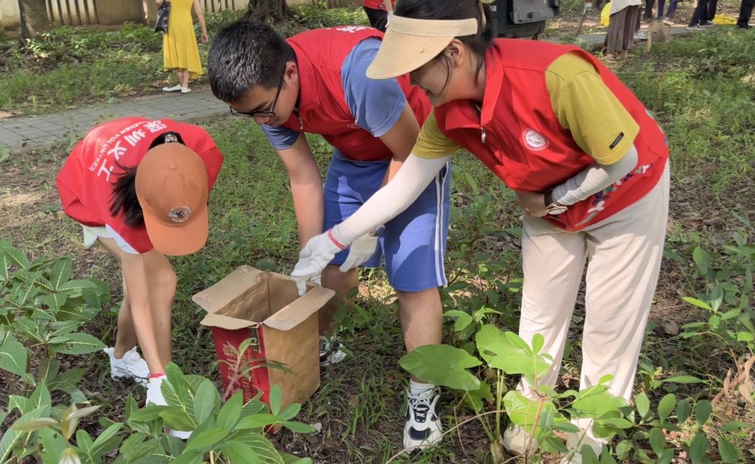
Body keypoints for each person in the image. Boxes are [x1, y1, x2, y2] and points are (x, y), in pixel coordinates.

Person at [290, 0, 670, 462]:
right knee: (539, 313)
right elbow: (406, 184)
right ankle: (534, 415)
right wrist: (333, 238)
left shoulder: (555, 75)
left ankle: (593, 432)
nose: (410, 84)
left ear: (453, 53)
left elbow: (621, 160)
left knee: (610, 321)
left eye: (416, 70)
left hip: (626, 192)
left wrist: (554, 198)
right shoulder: (449, 113)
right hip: (546, 201)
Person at [206, 21, 451, 451]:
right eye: (247, 114)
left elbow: (408, 153)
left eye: (263, 110)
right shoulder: (263, 95)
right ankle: (325, 341)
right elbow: (302, 176)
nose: (260, 121)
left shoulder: (358, 71)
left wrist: (368, 226)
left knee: (411, 277)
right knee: (333, 265)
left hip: (413, 153)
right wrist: (313, 255)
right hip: (356, 156)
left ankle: (423, 395)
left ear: (289, 73)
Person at [56, 117, 223, 437]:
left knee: (155, 282)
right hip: (88, 190)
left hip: (134, 167)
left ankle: (121, 357)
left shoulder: (196, 150)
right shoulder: (117, 205)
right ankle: (167, 387)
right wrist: (160, 377)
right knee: (156, 283)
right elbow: (142, 300)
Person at [158, 0, 208, 94]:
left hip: (172, 23)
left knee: (174, 50)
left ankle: (183, 84)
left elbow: (158, 2)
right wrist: (204, 31)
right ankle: (184, 85)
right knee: (186, 50)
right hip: (186, 23)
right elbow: (199, 12)